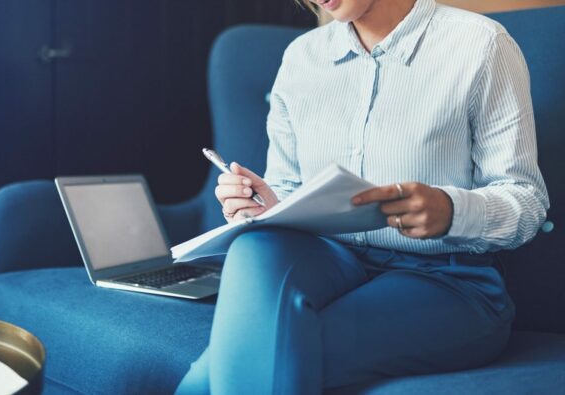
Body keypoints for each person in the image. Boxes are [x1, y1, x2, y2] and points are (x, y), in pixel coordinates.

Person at [176, 0, 549, 393]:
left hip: (446, 280)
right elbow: (288, 185)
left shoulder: (480, 45)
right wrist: (268, 206)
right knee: (255, 246)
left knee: (214, 377)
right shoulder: (301, 58)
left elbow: (527, 200)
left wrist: (453, 210)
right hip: (329, 261)